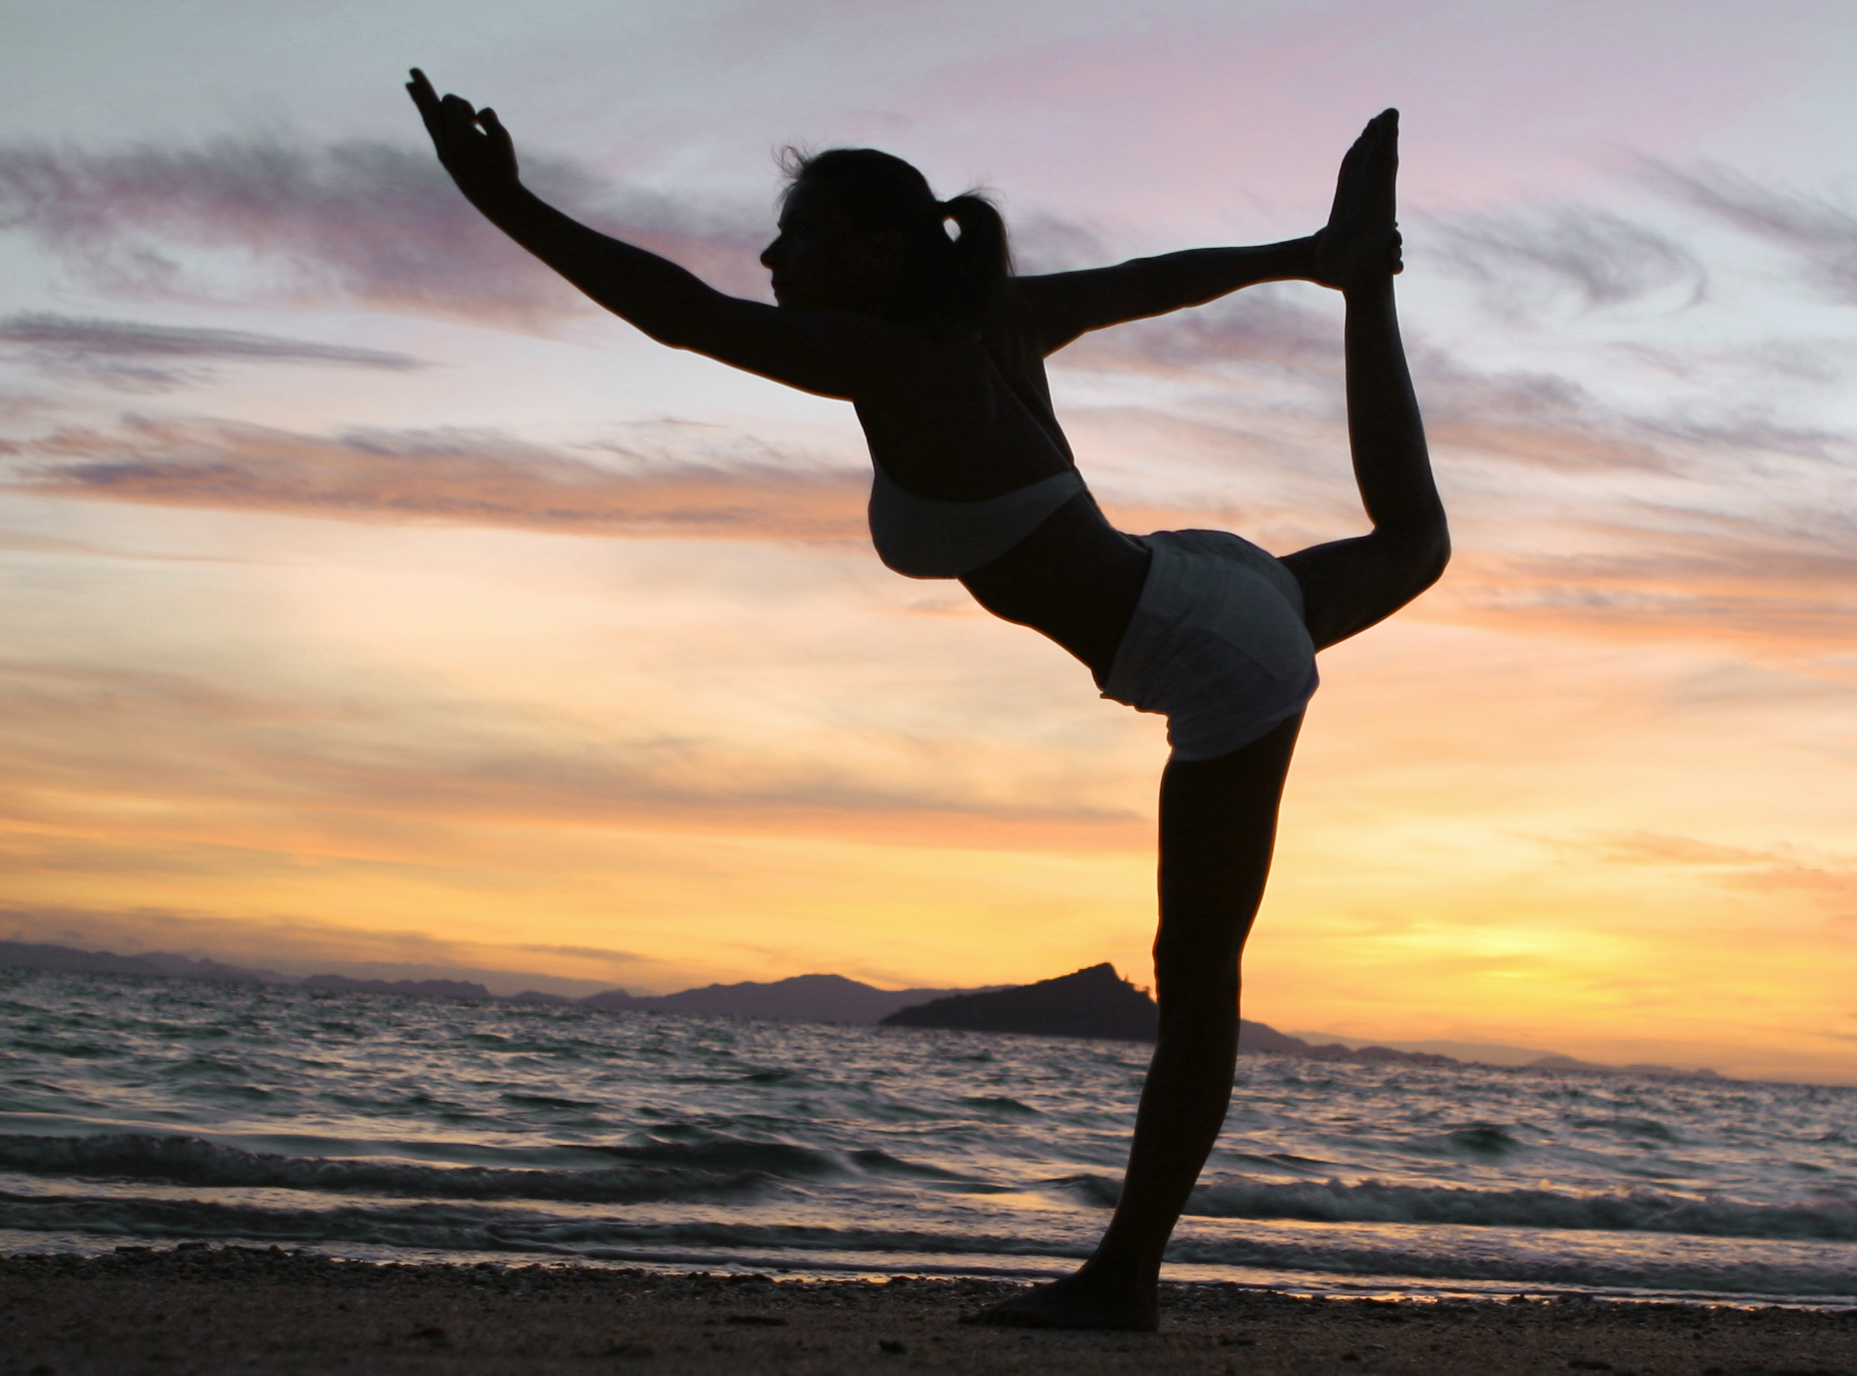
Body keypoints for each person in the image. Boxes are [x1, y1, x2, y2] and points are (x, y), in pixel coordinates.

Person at [409, 71, 1445, 1331]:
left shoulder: (885, 359)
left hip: (1210, 647)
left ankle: (1122, 1279)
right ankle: (1363, 276)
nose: (772, 254)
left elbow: (677, 313)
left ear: (875, 249)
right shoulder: (994, 321)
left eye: (797, 233)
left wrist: (501, 200)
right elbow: (1164, 277)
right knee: (1412, 545)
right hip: (1200, 586)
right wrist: (1304, 254)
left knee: (1199, 975)